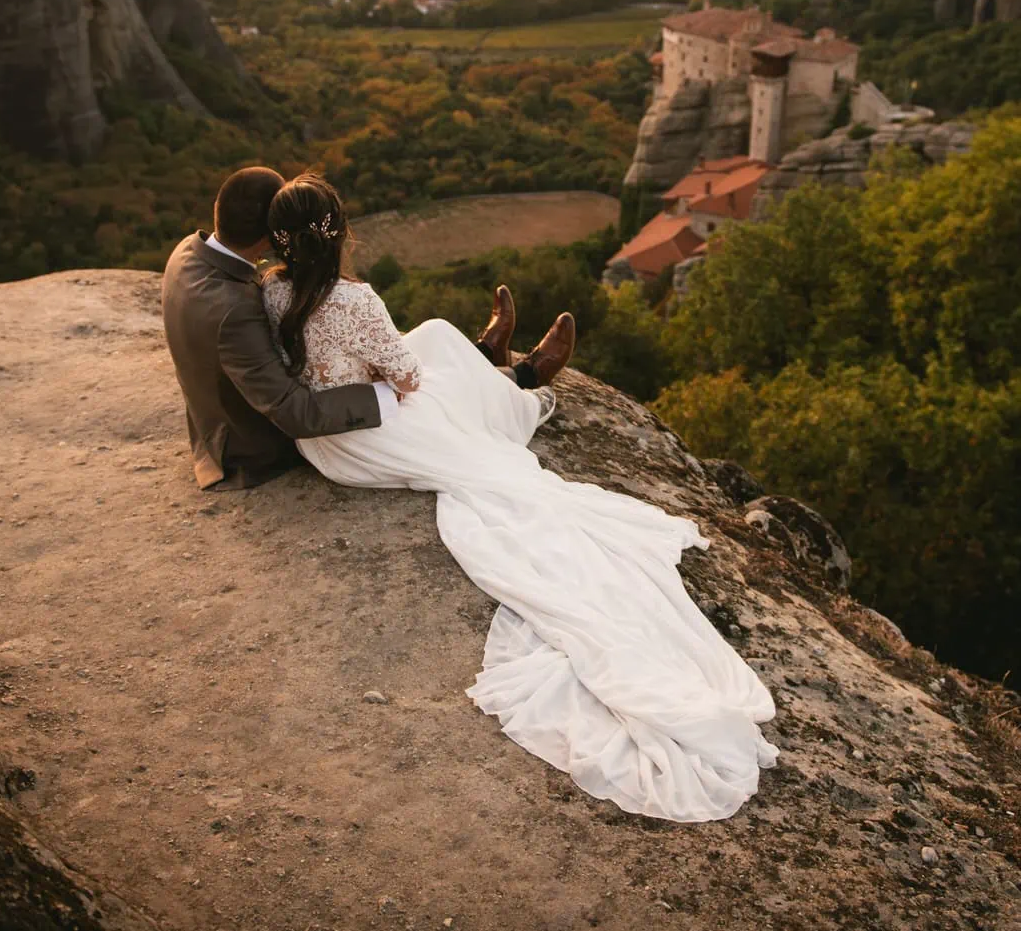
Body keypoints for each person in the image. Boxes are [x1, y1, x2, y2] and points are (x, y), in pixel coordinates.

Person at [259, 173, 777, 823]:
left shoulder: (270, 292)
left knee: (441, 334)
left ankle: (494, 352)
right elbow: (406, 377)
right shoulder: (357, 300)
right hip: (371, 433)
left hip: (325, 443)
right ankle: (524, 376)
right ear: (339, 234)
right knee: (445, 386)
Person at [161, 166, 572, 490]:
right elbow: (295, 412)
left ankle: (486, 355)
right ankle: (522, 375)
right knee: (426, 383)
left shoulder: (189, 253)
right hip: (253, 446)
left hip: (223, 418)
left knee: (433, 336)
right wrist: (382, 392)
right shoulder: (237, 310)